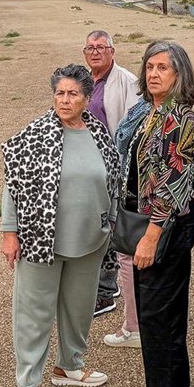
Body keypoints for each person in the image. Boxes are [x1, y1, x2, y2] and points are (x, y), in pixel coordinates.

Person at [0, 64, 121, 387]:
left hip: (91, 239)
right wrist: (9, 232)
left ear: (87, 98)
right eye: (59, 93)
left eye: (73, 94)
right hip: (40, 238)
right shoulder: (35, 134)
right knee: (34, 313)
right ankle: (27, 383)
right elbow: (13, 185)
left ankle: (69, 366)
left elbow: (113, 181)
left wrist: (111, 224)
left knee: (79, 308)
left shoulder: (99, 134)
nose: (65, 100)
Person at [115, 40, 194, 387]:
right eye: (149, 67)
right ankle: (159, 385)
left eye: (162, 68)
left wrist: (151, 236)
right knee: (150, 310)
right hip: (144, 219)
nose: (153, 74)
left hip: (165, 223)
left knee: (163, 312)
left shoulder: (181, 119)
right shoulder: (147, 111)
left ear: (179, 74)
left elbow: (173, 183)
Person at [82, 30, 141, 325]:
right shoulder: (83, 80)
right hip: (87, 166)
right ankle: (104, 286)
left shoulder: (127, 81)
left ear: (112, 52)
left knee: (113, 227)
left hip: (113, 167)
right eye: (90, 48)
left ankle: (106, 291)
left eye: (101, 47)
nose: (95, 52)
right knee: (95, 225)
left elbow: (132, 127)